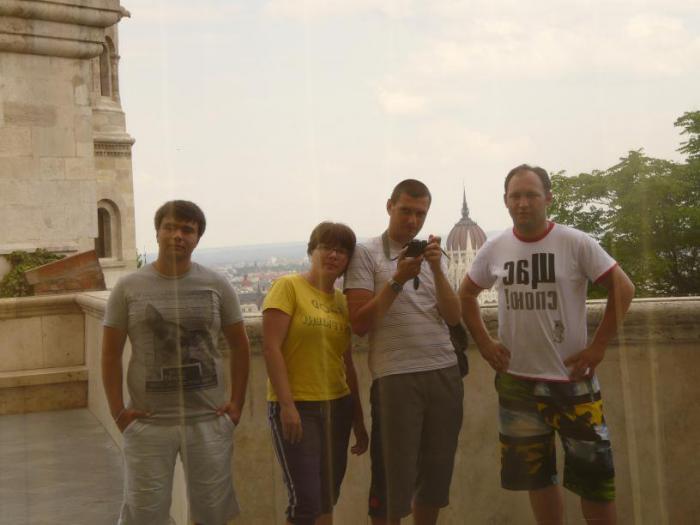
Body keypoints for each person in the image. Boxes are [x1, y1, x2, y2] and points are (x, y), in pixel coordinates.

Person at [460, 164, 635, 525]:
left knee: (595, 482)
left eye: (531, 195)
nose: (523, 203)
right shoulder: (496, 247)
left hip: (572, 381)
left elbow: (624, 288)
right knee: (537, 479)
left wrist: (598, 346)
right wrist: (484, 342)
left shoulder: (575, 242)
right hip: (517, 383)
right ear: (505, 201)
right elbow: (466, 294)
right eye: (516, 196)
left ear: (548, 198)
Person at [102, 200, 250, 525]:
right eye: (169, 227)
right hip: (149, 423)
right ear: (157, 232)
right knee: (144, 516)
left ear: (197, 238)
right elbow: (110, 354)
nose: (177, 236)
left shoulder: (217, 285)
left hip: (208, 420)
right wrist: (118, 412)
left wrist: (236, 404)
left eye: (187, 229)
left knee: (212, 515)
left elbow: (240, 345)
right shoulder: (128, 288)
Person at [344, 180, 463, 525]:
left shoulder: (432, 256)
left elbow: (453, 316)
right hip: (395, 375)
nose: (413, 220)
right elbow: (359, 323)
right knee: (390, 477)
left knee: (435, 474)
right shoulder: (366, 253)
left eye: (420, 214)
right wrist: (396, 280)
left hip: (443, 370)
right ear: (389, 206)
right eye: (406, 211)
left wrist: (436, 268)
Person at [262, 221, 369, 525]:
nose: (333, 255)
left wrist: (358, 420)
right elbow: (271, 348)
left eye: (341, 250)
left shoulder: (343, 302)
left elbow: (346, 362)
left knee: (326, 497)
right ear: (312, 251)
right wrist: (286, 406)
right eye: (326, 247)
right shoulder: (288, 287)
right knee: (305, 502)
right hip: (299, 406)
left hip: (338, 406)